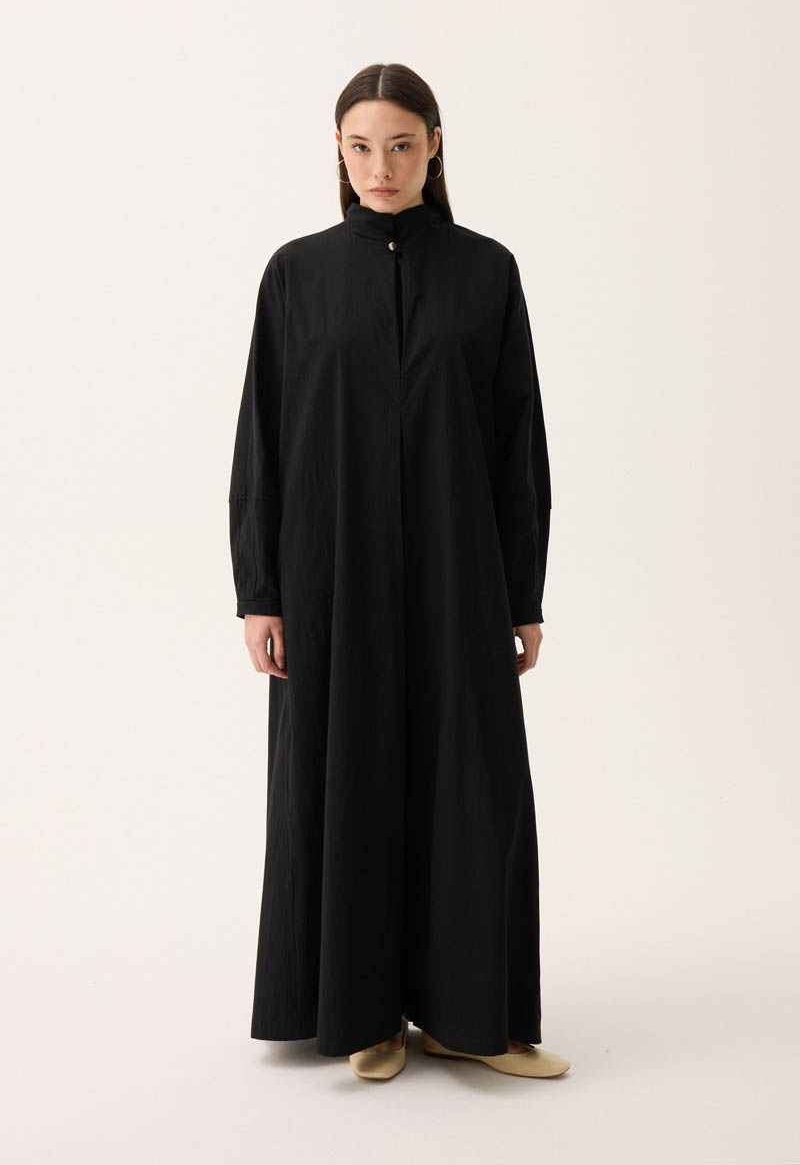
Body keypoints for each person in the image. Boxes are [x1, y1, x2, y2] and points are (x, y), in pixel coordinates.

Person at [228, 62, 570, 1081]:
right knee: (351, 775)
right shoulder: (295, 274)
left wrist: (522, 595)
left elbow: (517, 443)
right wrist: (259, 593)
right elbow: (262, 442)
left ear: (434, 146)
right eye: (361, 147)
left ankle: (473, 1017)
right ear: (338, 152)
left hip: (461, 574)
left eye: (402, 145)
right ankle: (366, 1015)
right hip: (330, 579)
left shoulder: (486, 271)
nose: (381, 166)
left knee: (472, 783)